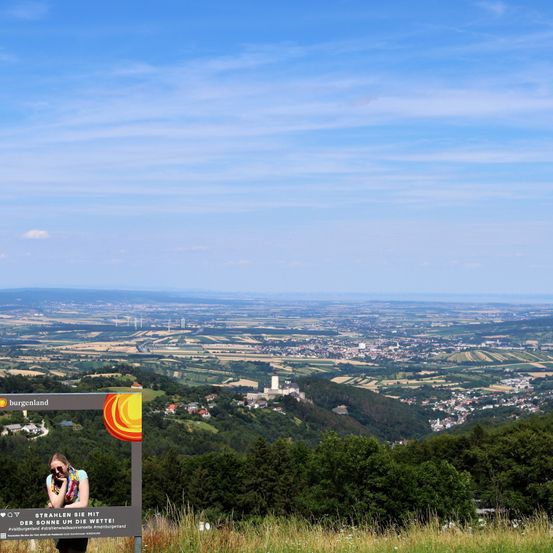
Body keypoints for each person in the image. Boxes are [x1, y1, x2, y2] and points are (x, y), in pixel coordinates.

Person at [46, 453, 90, 553]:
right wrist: (64, 483)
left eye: (59, 468)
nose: (57, 472)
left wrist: (63, 508)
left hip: (79, 524)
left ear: (67, 465)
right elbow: (57, 506)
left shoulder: (80, 475)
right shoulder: (50, 479)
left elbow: (83, 504)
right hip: (61, 525)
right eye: (53, 470)